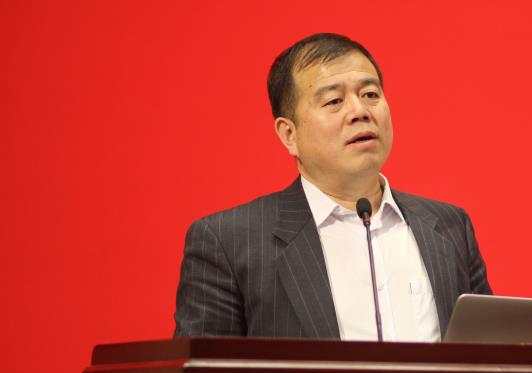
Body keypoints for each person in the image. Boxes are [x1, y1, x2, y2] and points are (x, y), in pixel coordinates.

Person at [174, 33, 491, 341]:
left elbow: (490, 359)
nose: (360, 112)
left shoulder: (450, 227)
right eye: (334, 101)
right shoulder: (229, 242)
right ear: (289, 134)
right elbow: (203, 372)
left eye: (370, 94)